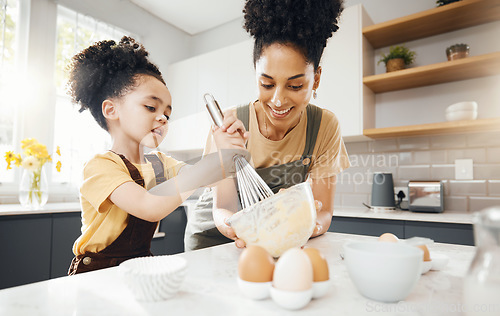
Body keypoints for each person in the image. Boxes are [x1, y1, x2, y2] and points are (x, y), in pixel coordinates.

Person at [67, 37, 248, 274]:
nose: (162, 118)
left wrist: (224, 147)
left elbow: (210, 180)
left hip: (137, 267)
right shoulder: (101, 166)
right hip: (95, 272)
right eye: (151, 108)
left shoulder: (159, 163)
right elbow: (148, 205)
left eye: (167, 114)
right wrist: (210, 165)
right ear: (111, 110)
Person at [184, 0, 350, 251]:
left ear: (315, 79)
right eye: (267, 84)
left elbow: (323, 210)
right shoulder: (229, 126)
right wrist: (238, 227)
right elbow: (223, 207)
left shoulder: (324, 126)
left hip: (270, 237)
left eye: (295, 86)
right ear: (255, 75)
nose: (278, 100)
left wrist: (303, 228)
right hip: (214, 237)